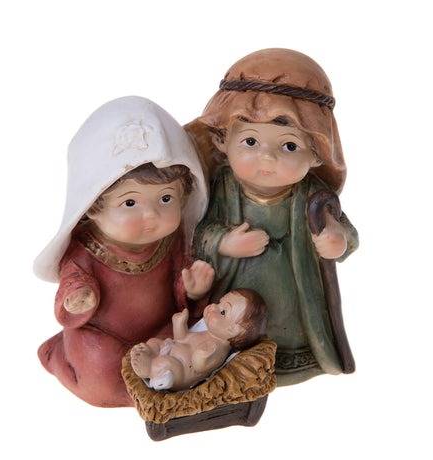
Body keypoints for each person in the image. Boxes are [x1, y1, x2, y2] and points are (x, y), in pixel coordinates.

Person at [185, 48, 359, 387]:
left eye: (289, 146)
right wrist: (224, 242)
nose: (267, 157)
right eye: (250, 141)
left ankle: (291, 358)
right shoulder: (222, 188)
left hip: (295, 304)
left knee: (286, 331)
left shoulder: (313, 195)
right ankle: (231, 363)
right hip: (232, 301)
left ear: (315, 154)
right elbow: (198, 232)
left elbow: (346, 232)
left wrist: (338, 240)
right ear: (223, 142)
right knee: (230, 341)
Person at [34, 96, 213, 407]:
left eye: (166, 199)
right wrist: (79, 298)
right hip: (102, 336)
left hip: (161, 330)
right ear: (92, 207)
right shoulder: (86, 250)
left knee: (193, 358)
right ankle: (58, 357)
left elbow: (179, 282)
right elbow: (72, 288)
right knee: (102, 376)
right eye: (130, 203)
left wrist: (193, 290)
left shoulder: (172, 241)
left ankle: (159, 388)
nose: (152, 215)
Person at [130, 288, 267, 391]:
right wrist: (179, 324)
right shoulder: (207, 332)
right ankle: (149, 355)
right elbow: (183, 339)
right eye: (219, 302)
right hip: (172, 349)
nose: (214, 306)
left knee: (166, 363)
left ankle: (148, 369)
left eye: (222, 312)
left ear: (232, 330)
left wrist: (201, 357)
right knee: (154, 342)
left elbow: (200, 368)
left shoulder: (217, 349)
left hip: (179, 372)